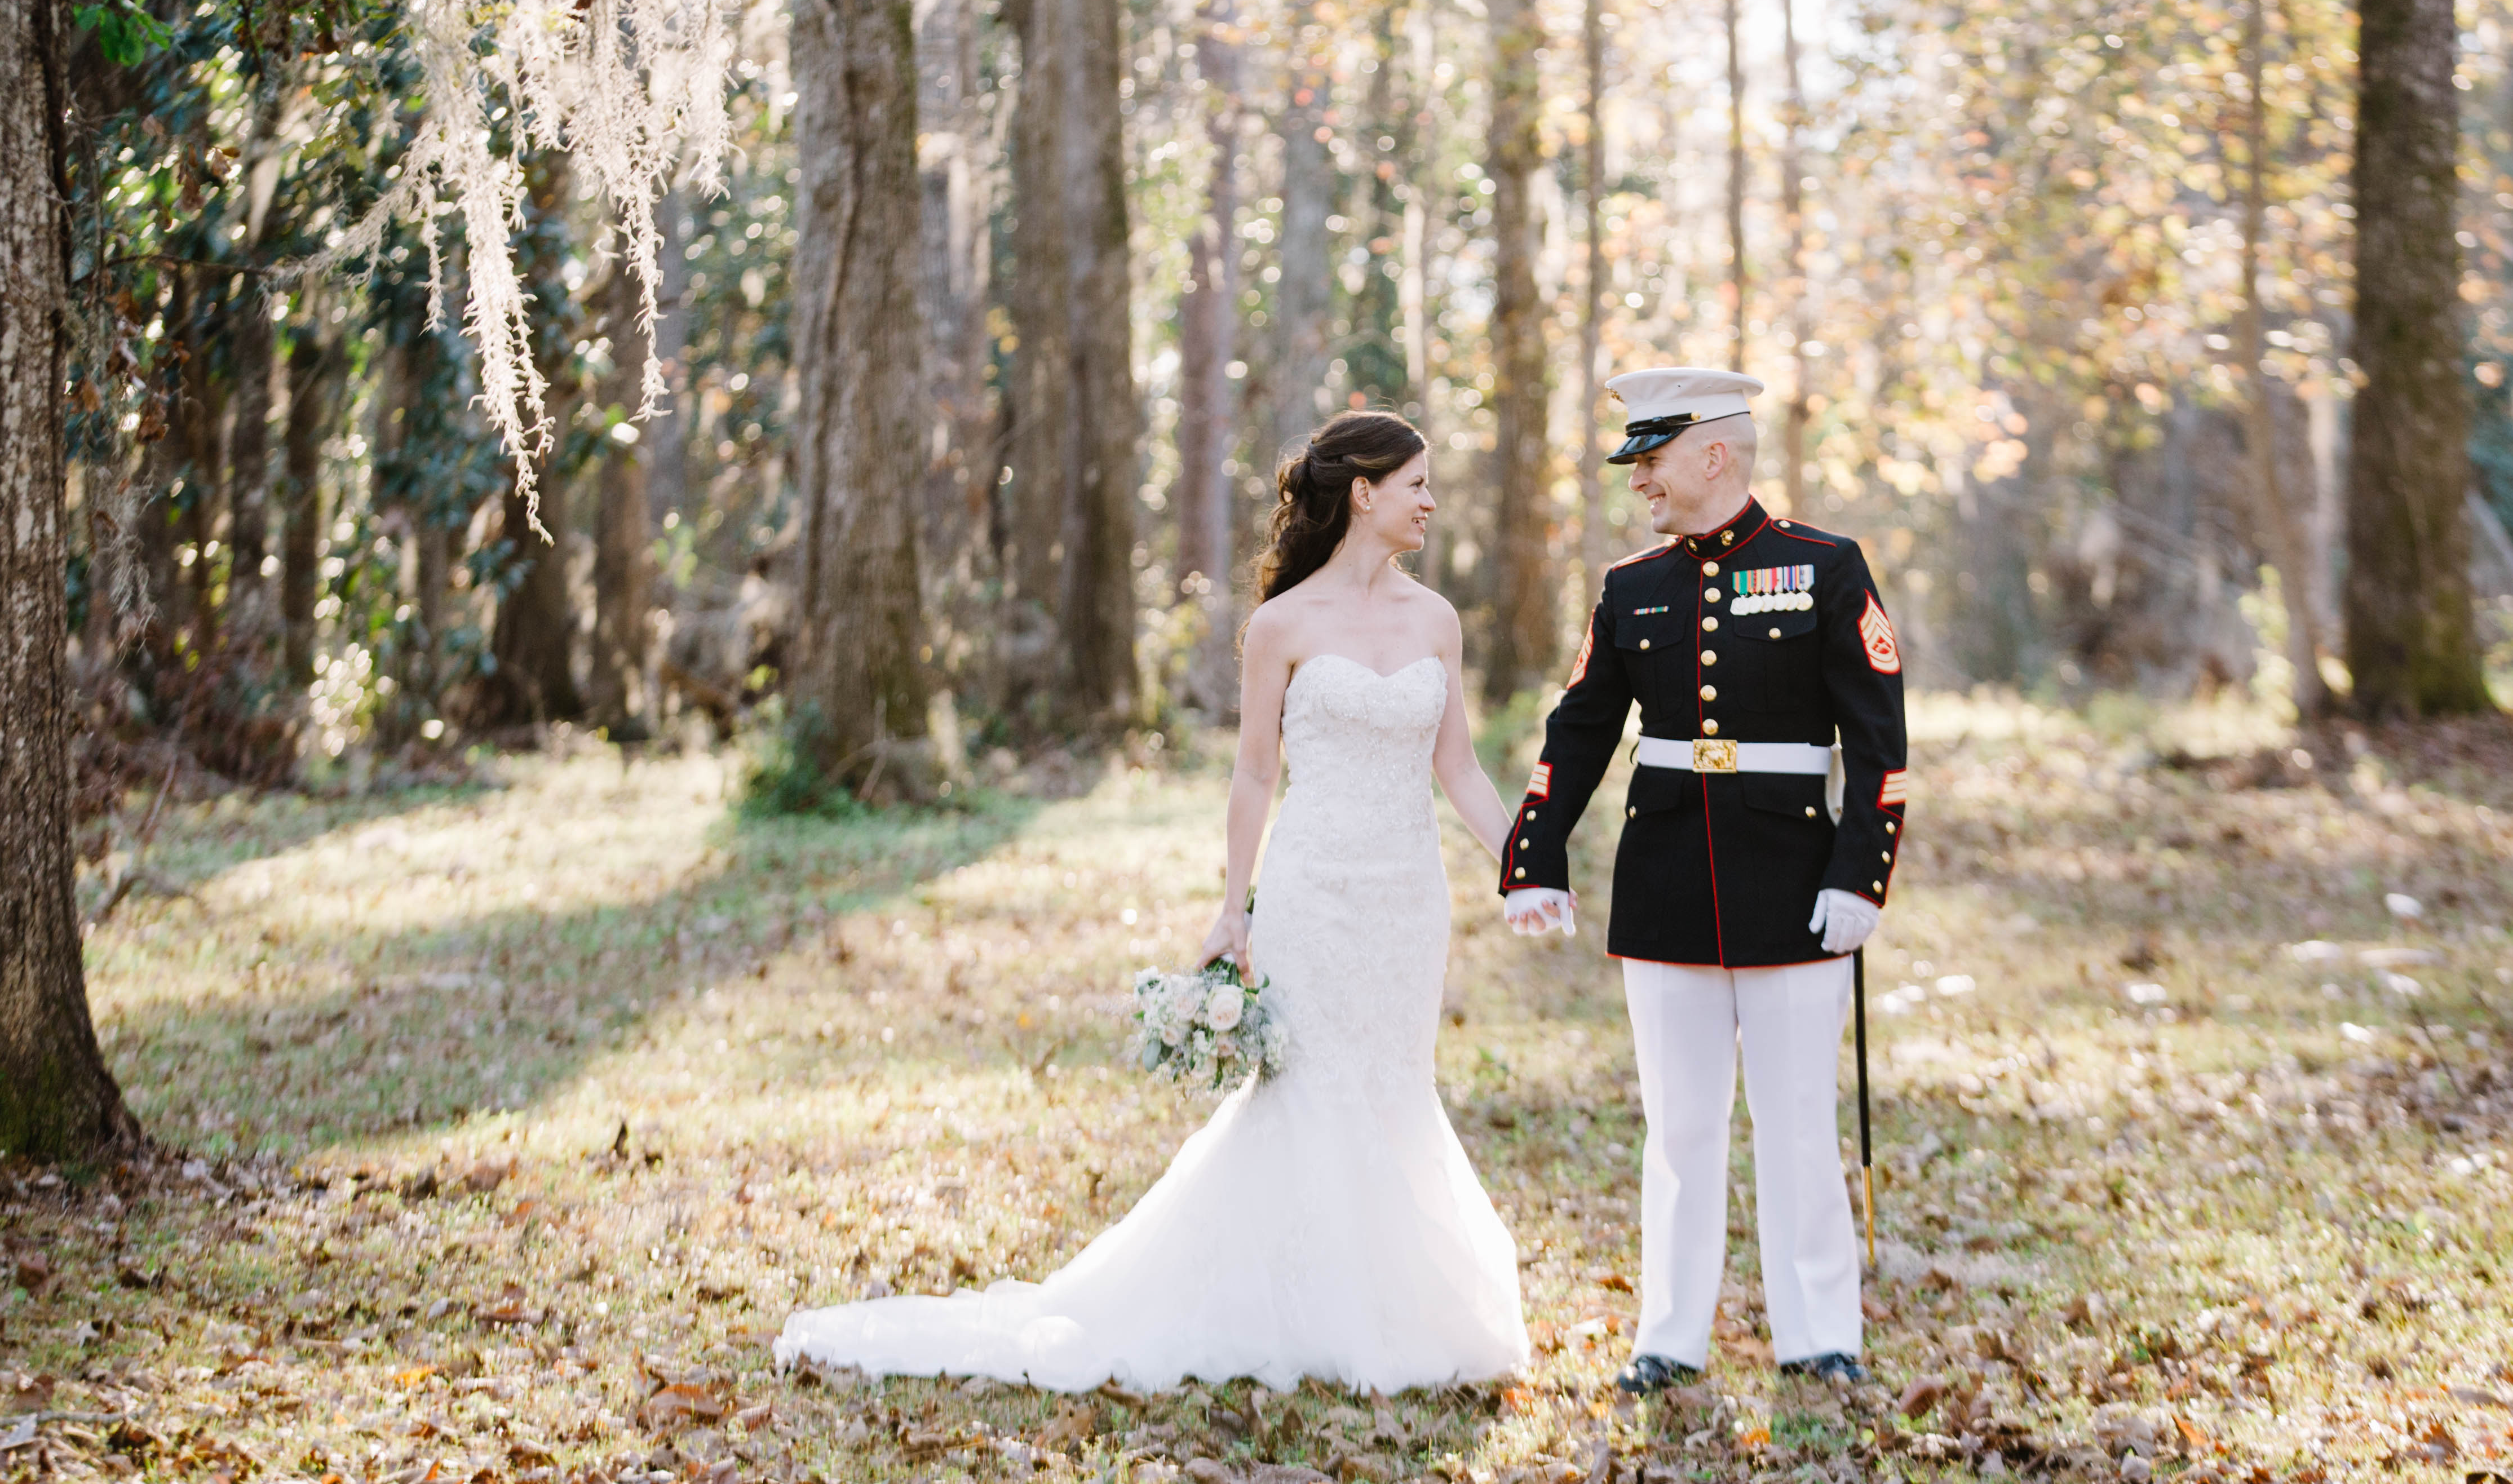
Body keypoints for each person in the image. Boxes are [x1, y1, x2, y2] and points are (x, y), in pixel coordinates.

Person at [775, 412, 1528, 1393]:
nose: (1432, 500)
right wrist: (1234, 906)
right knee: (1310, 1087)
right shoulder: (1283, 625)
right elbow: (1255, 773)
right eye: (1418, 483)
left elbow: (1459, 767)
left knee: (1394, 1081)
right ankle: (1288, 1308)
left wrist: (1525, 861)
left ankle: (1394, 1306)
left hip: (1407, 897)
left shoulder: (1437, 621)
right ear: (1365, 492)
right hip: (1315, 891)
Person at [1502, 367, 1909, 1392]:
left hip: (1795, 882)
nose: (1640, 479)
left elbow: (1879, 740)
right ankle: (1670, 1338)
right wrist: (1533, 855)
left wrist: (1863, 876)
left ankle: (1821, 1335)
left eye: (1652, 458)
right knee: (1679, 1129)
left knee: (1797, 1124)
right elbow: (1580, 730)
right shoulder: (1630, 588)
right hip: (1667, 881)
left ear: (1712, 454)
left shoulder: (1826, 568)